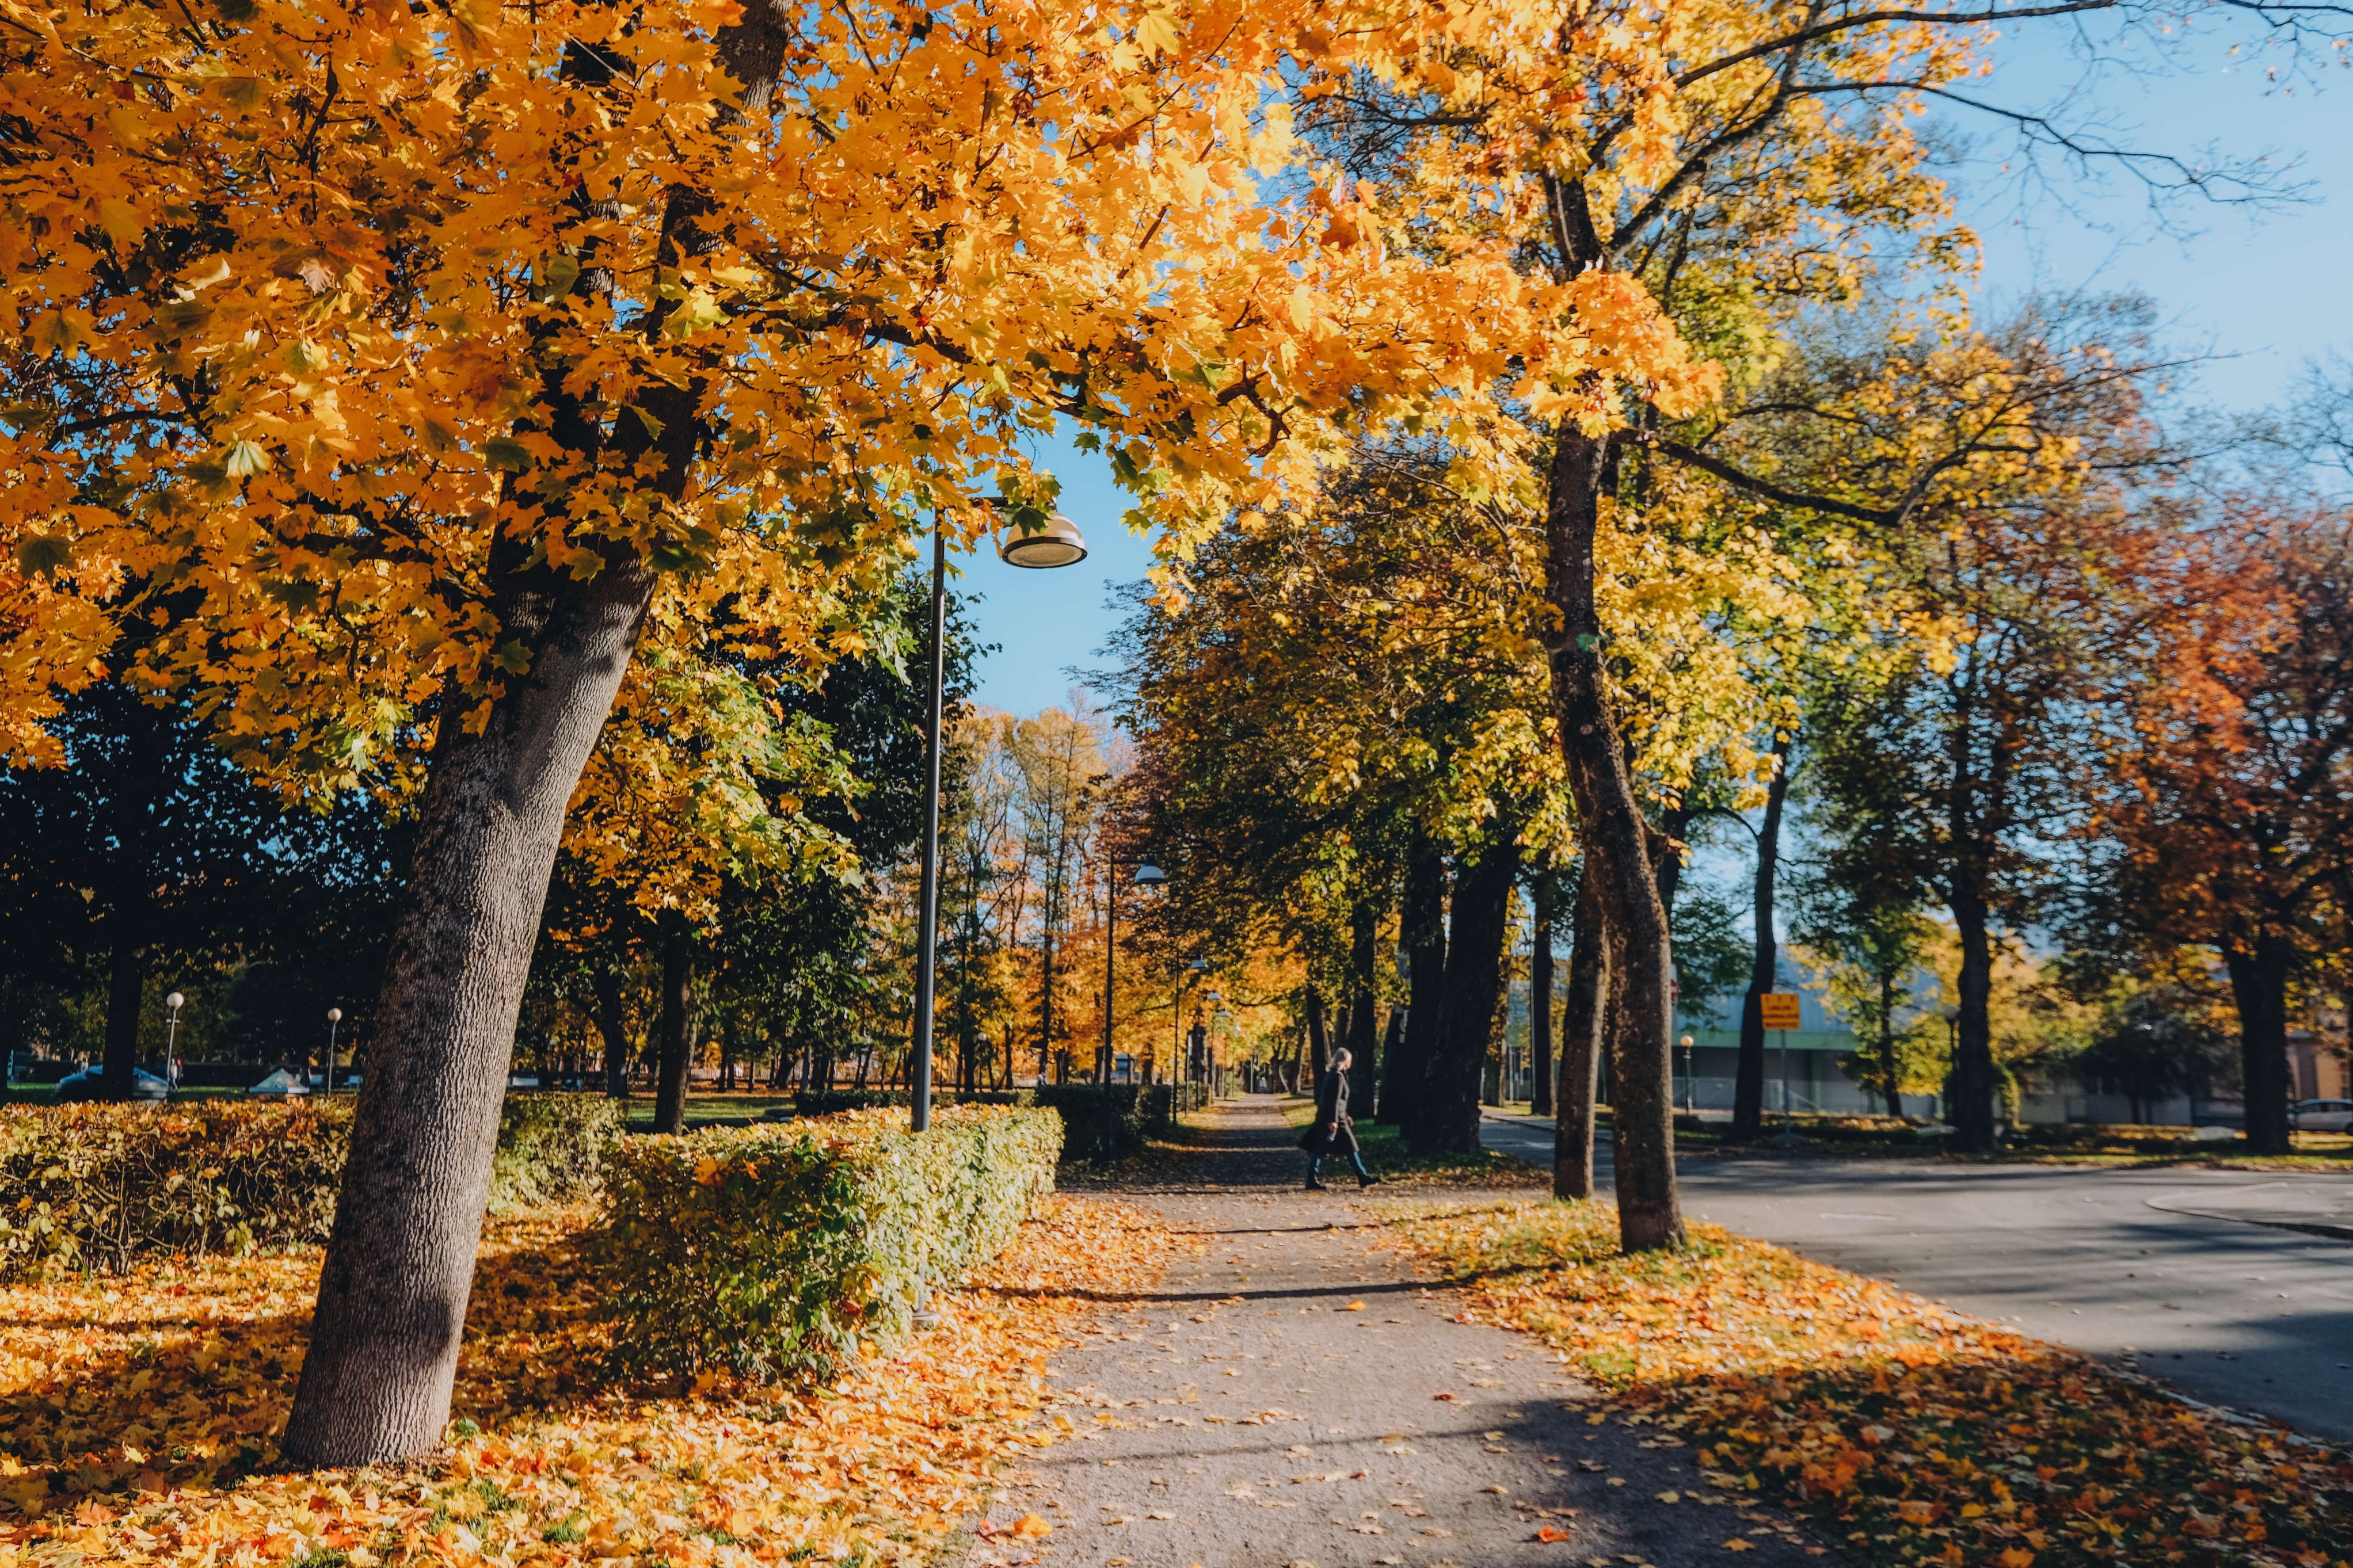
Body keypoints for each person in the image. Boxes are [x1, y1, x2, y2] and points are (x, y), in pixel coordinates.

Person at [1303, 1048, 1379, 1191]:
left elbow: (1336, 1101)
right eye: (1350, 1060)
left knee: (1322, 1148)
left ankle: (1312, 1178)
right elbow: (1334, 1100)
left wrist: (1344, 1115)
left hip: (1332, 1117)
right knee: (1348, 1146)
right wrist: (1335, 1120)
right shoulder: (1337, 1077)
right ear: (1345, 1061)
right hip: (1334, 1118)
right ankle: (1361, 1176)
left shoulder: (1332, 1075)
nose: (1351, 1063)